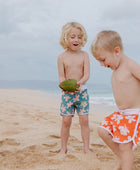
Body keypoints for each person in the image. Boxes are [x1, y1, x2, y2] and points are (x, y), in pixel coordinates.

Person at [90, 30, 140, 170]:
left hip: (134, 114)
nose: (101, 64)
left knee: (125, 146)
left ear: (116, 51)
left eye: (103, 59)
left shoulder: (130, 65)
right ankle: (123, 157)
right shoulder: (115, 69)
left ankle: (125, 159)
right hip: (121, 114)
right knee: (103, 130)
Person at [57, 22, 92, 154]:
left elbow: (87, 74)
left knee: (84, 120)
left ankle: (86, 149)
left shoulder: (84, 55)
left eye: (79, 37)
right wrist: (64, 86)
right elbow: (61, 76)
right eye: (72, 37)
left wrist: (79, 83)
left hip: (82, 92)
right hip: (67, 94)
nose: (76, 39)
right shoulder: (61, 57)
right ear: (66, 38)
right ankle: (63, 148)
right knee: (66, 121)